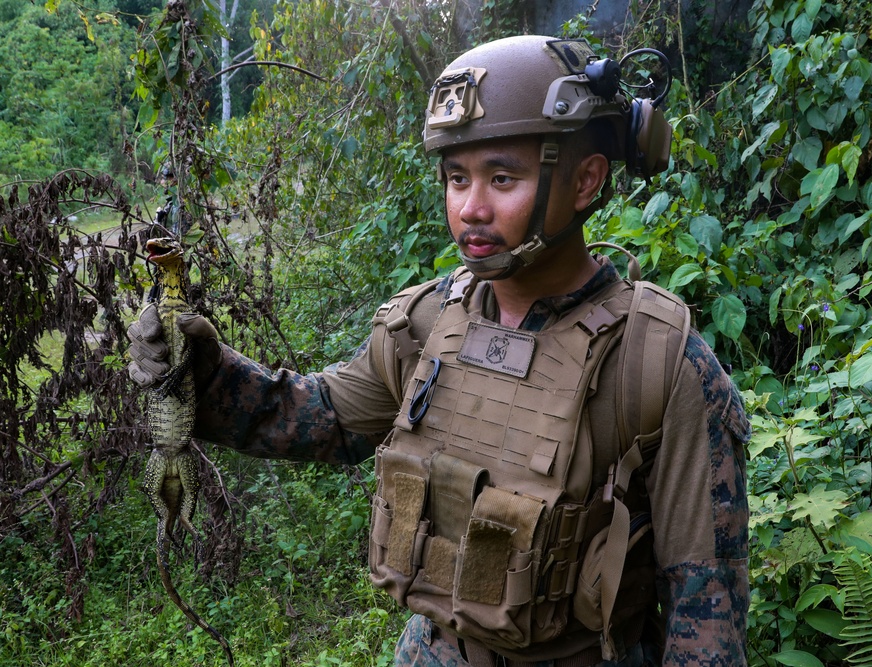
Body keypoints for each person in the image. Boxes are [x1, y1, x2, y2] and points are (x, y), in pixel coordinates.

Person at [128, 34, 750, 667]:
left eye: (502, 178)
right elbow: (326, 419)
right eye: (457, 179)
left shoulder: (658, 361)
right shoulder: (427, 321)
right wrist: (204, 374)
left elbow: (706, 612)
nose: (470, 209)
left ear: (586, 179)